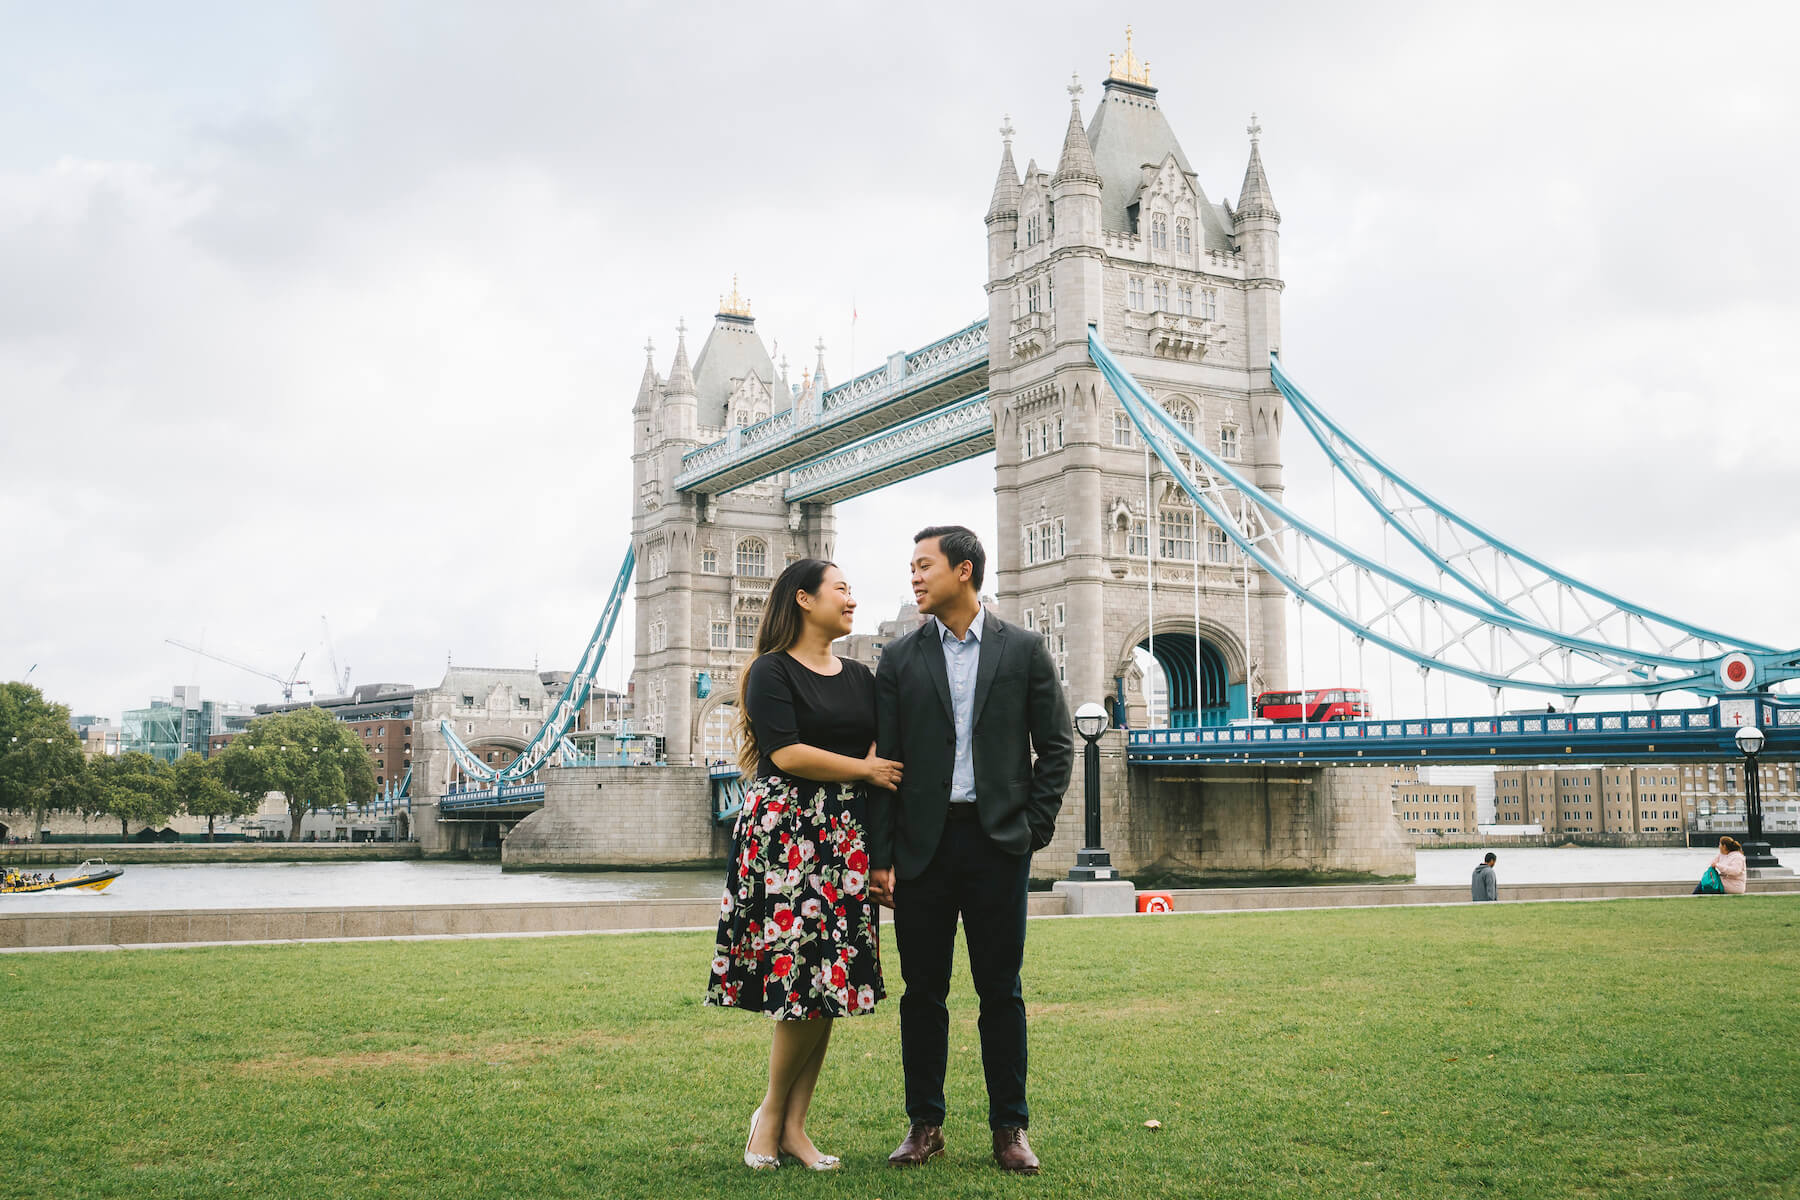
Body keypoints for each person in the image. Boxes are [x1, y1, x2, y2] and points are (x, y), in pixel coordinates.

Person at [869, 525, 1073, 1175]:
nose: (914, 576)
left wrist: (1030, 831)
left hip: (997, 845)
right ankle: (924, 1125)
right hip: (922, 847)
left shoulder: (1025, 650)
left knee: (1000, 991)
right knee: (921, 993)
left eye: (924, 565)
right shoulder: (899, 660)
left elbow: (1058, 747)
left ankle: (1009, 1129)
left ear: (964, 570)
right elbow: (886, 765)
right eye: (911, 566)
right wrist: (881, 856)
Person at [704, 558, 902, 1172]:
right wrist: (866, 769)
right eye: (841, 589)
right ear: (803, 599)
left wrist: (880, 849)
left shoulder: (863, 676)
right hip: (787, 834)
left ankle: (794, 1128)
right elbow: (786, 753)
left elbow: (881, 750)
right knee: (800, 983)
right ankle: (768, 1115)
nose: (852, 599)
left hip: (844, 835)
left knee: (828, 985)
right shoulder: (769, 671)